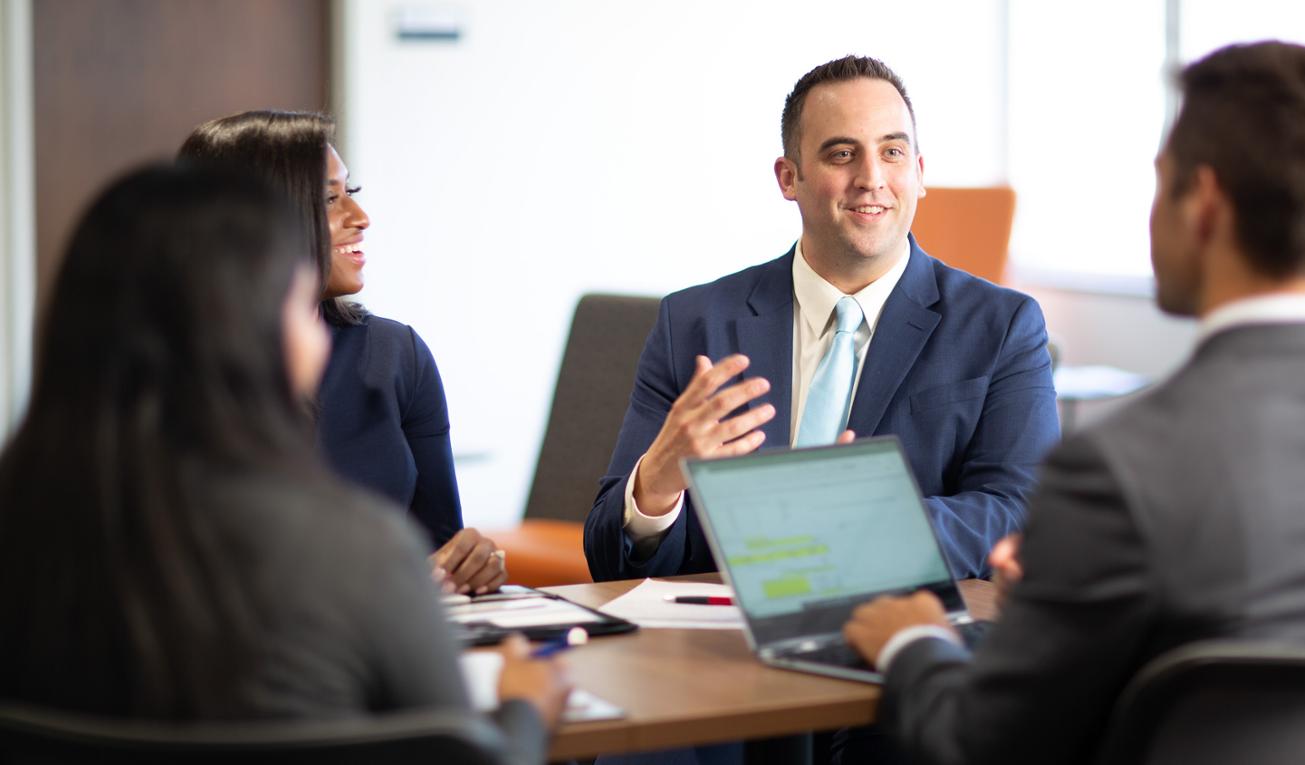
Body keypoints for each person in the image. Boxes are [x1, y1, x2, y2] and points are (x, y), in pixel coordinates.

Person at [842, 41, 1305, 764]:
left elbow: (976, 745)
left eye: (1160, 183)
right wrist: (1069, 594)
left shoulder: (1120, 468)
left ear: (1202, 204)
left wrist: (911, 638)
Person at [0, 165, 567, 759]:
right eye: (300, 307)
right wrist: (525, 709)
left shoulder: (24, 530)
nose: (323, 338)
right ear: (245, 334)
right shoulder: (357, 549)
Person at [584, 55, 1060, 582]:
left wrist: (863, 527)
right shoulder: (694, 323)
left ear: (919, 175)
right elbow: (608, 559)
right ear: (790, 178)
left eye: (893, 152)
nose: (872, 178)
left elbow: (1021, 515)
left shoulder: (1002, 325)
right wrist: (654, 483)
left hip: (896, 635)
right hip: (715, 642)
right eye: (841, 154)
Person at [179, 111, 505, 595]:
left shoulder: (397, 356)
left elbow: (436, 549)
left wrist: (467, 567)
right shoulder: (172, 379)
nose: (361, 218)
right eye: (330, 199)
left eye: (350, 193)